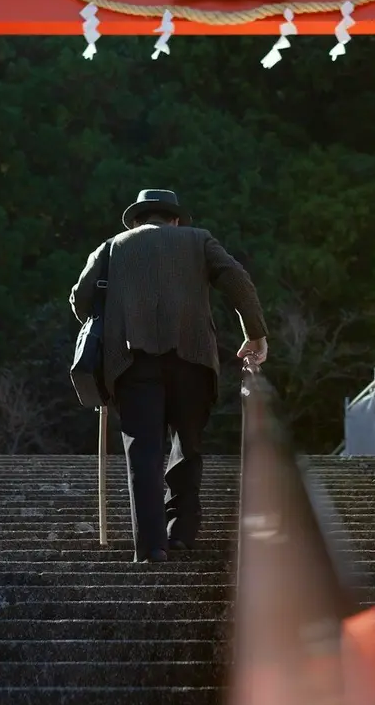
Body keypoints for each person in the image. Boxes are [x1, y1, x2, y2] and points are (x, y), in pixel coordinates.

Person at [71, 189, 268, 564]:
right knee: (187, 446)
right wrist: (254, 333)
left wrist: (109, 320)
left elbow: (80, 298)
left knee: (143, 453)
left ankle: (151, 547)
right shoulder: (199, 240)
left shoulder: (113, 246)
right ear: (174, 219)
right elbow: (237, 279)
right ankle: (181, 533)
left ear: (138, 219)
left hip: (132, 362)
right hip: (192, 359)